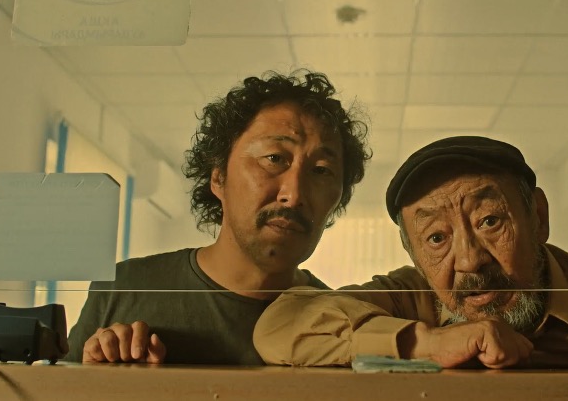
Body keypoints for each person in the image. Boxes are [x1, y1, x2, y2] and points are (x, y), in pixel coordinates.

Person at [254, 135, 568, 370]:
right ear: (413, 254)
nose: (469, 261)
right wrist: (423, 343)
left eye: (489, 222)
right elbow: (280, 326)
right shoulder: (410, 297)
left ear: (538, 217)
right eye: (436, 239)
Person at [65, 70, 370, 364]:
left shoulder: (340, 326)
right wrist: (96, 379)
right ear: (219, 177)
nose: (294, 194)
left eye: (321, 171)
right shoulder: (127, 288)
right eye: (274, 158)